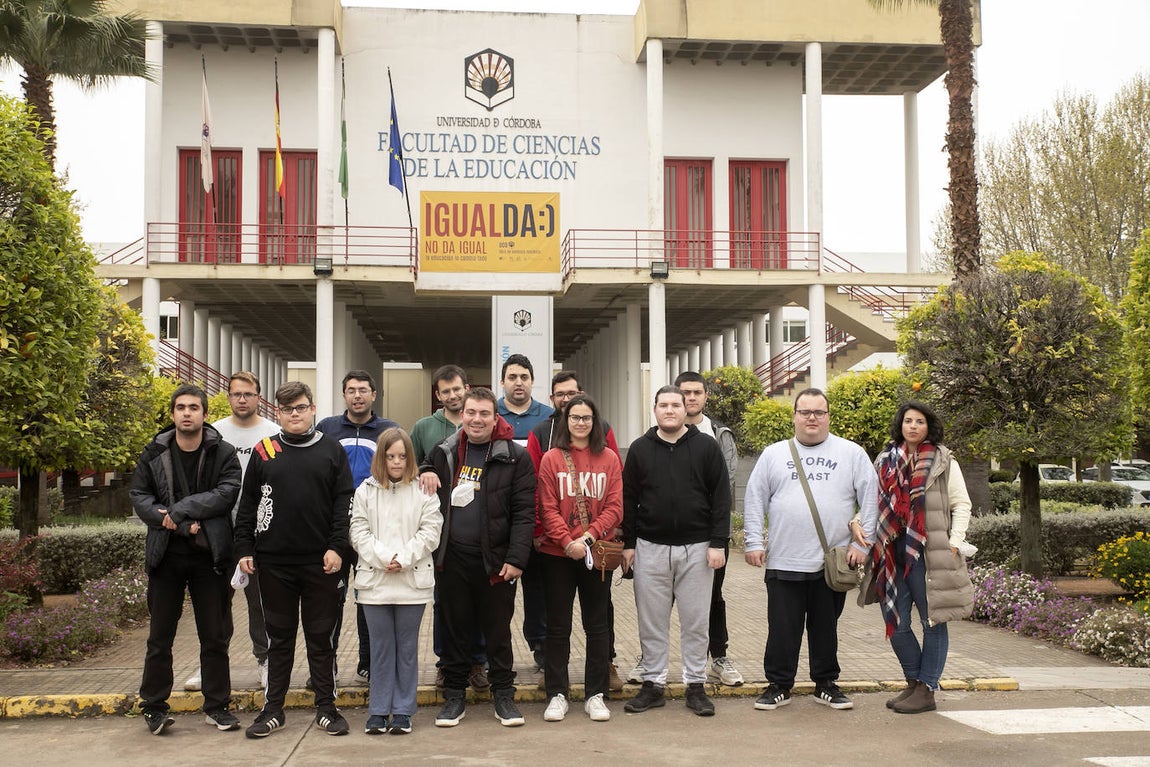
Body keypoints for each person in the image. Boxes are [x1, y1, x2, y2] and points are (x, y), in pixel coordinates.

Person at [743, 387, 877, 712]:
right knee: (782, 629)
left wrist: (863, 544)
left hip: (831, 563)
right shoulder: (774, 454)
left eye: (819, 412)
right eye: (805, 412)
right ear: (794, 416)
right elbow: (754, 497)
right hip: (784, 560)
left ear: (829, 416)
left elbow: (871, 496)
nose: (812, 418)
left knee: (825, 628)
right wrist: (753, 541)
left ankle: (826, 684)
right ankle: (778, 685)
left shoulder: (851, 453)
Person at [234, 381, 355, 739]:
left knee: (321, 638)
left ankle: (326, 708)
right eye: (287, 410)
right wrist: (244, 549)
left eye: (300, 407)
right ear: (278, 413)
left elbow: (343, 504)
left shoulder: (332, 450)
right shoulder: (265, 450)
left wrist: (337, 547)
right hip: (273, 564)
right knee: (279, 639)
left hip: (321, 563)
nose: (294, 415)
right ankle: (273, 710)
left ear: (312, 409)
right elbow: (248, 505)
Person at [130, 383, 242, 735]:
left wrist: (178, 511)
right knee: (160, 636)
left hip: (210, 557)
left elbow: (225, 494)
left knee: (215, 636)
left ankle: (217, 706)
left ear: (205, 414)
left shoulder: (222, 451)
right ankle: (153, 706)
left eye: (194, 407)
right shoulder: (154, 451)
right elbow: (139, 495)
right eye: (181, 407)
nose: (187, 413)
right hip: (166, 557)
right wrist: (180, 526)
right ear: (173, 413)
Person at [421, 387, 535, 728]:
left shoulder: (515, 456)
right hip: (452, 558)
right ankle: (454, 696)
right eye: (471, 413)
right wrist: (425, 468)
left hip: (496, 561)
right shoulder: (444, 451)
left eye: (485, 413)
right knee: (455, 629)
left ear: (495, 417)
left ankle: (504, 696)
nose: (477, 419)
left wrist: (516, 558)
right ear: (462, 414)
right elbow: (422, 470)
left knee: (497, 631)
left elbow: (525, 512)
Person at [621, 385, 730, 718]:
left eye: (675, 405)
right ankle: (653, 685)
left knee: (695, 622)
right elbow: (628, 498)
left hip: (697, 549)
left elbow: (721, 497)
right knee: (651, 622)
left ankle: (695, 686)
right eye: (663, 405)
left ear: (686, 409)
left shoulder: (706, 447)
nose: (669, 410)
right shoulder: (640, 449)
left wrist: (718, 542)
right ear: (654, 410)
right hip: (649, 548)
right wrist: (628, 545)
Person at [868, 401, 973, 714]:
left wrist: (955, 542)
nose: (913, 426)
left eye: (920, 422)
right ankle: (913, 682)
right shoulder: (886, 458)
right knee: (896, 623)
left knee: (932, 622)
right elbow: (873, 501)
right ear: (901, 424)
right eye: (908, 421)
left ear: (929, 427)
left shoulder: (942, 460)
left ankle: (927, 688)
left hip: (929, 552)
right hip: (893, 551)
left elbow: (961, 503)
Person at [525, 370, 624, 691]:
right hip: (558, 554)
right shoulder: (552, 457)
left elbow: (615, 506)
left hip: (596, 553)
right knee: (557, 626)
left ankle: (596, 691)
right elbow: (545, 505)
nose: (581, 422)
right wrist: (567, 541)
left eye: (586, 417)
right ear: (564, 419)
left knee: (596, 626)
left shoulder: (608, 457)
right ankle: (557, 690)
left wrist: (588, 537)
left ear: (595, 422)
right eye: (574, 417)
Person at [184, 371, 279, 694]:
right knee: (216, 604)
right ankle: (209, 665)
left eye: (248, 394)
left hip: (260, 536)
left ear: (258, 397)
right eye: (236, 394)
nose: (242, 399)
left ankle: (266, 663)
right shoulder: (214, 432)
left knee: (262, 605)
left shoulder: (273, 434)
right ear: (228, 397)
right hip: (218, 534)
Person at [350, 428, 443, 735]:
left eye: (402, 456)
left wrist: (402, 558)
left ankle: (402, 711)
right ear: (381, 457)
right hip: (375, 582)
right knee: (380, 648)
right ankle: (378, 711)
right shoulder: (365, 490)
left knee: (406, 648)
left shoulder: (423, 491)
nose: (396, 462)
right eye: (390, 456)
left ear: (410, 458)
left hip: (411, 583)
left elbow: (430, 532)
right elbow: (358, 531)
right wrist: (383, 558)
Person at [317, 370, 399, 682]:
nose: (357, 395)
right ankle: (327, 666)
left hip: (374, 528)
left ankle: (368, 664)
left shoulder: (388, 430)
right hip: (334, 528)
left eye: (363, 390)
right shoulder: (327, 428)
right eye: (351, 390)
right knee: (330, 601)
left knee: (369, 599)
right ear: (344, 395)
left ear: (374, 395)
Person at [411, 364, 490, 691]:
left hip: (481, 531)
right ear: (437, 395)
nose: (453, 395)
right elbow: (412, 467)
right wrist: (425, 470)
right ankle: (446, 663)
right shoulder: (424, 427)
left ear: (466, 388)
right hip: (442, 533)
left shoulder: (483, 424)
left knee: (481, 603)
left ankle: (477, 663)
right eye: (446, 391)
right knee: (445, 603)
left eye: (457, 389)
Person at [675, 370, 743, 687]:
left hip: (712, 534)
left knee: (713, 597)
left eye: (696, 392)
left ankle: (718, 658)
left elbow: (723, 486)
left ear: (705, 396)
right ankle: (651, 659)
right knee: (663, 599)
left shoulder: (720, 435)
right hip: (670, 533)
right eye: (685, 392)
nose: (691, 398)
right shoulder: (661, 430)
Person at [496, 353, 553, 671]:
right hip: (498, 516)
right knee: (497, 592)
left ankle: (540, 644)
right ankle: (494, 652)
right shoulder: (492, 416)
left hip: (535, 518)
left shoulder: (548, 418)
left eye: (524, 377)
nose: (518, 382)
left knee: (537, 589)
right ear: (502, 382)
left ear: (532, 382)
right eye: (512, 377)